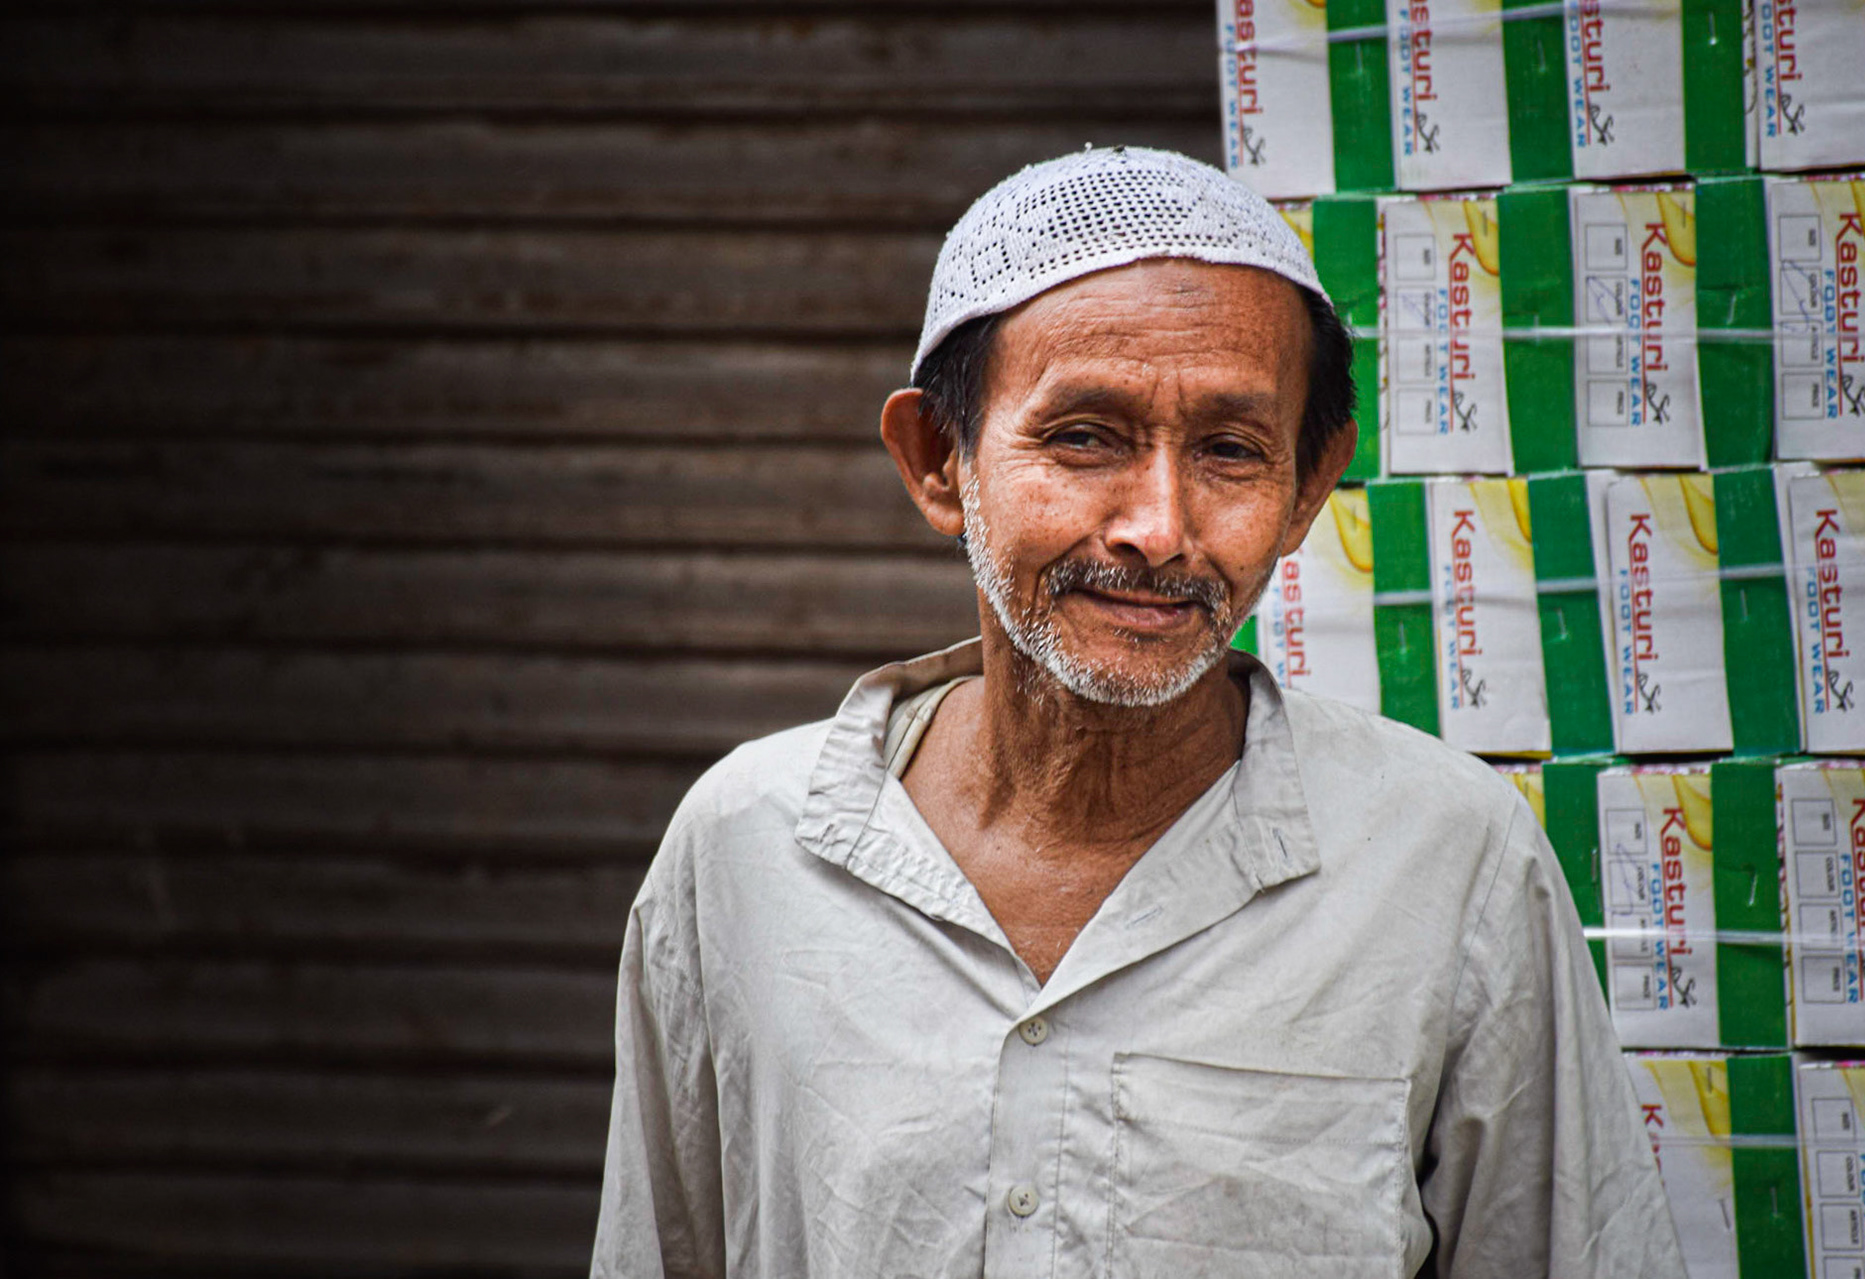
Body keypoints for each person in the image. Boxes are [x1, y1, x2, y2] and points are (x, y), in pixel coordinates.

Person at [591, 147, 1682, 1278]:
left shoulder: (1447, 861)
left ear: (1308, 487)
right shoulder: (743, 851)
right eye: (1084, 437)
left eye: (1229, 451)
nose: (1160, 527)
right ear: (939, 461)